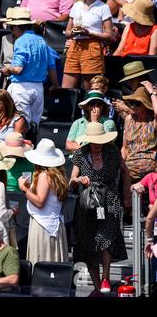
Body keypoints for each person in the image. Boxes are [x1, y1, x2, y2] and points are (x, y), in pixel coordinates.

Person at [69, 122, 127, 294]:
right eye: (93, 141)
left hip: (109, 201)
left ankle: (106, 278)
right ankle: (96, 286)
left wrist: (126, 193)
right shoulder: (80, 153)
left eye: (99, 141)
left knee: (106, 239)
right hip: (88, 204)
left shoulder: (113, 152)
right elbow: (72, 180)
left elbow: (125, 171)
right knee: (88, 244)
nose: (96, 145)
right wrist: (79, 180)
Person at [0, 7, 60, 125]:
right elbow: (51, 65)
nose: (11, 30)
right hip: (38, 89)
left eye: (11, 27)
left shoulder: (20, 41)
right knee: (34, 125)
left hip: (21, 89)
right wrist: (55, 85)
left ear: (16, 27)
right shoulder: (41, 40)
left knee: (20, 125)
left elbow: (18, 69)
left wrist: (7, 69)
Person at [18, 138, 69, 267]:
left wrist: (24, 189)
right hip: (53, 225)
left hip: (42, 226)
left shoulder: (44, 175)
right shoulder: (57, 176)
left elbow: (40, 202)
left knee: (42, 264)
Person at [62, 0, 114, 90]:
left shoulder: (103, 7)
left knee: (90, 89)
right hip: (75, 45)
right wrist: (74, 32)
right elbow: (67, 33)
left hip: (92, 46)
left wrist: (89, 32)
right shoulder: (77, 5)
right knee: (66, 90)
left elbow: (110, 35)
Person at [121, 85, 157, 184]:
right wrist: (120, 162)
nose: (133, 106)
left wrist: (152, 92)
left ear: (145, 104)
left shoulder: (153, 120)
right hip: (129, 162)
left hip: (148, 161)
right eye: (131, 103)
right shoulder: (129, 119)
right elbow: (124, 147)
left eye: (137, 103)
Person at [131, 173, 157, 259]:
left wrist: (149, 240)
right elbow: (133, 186)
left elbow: (149, 218)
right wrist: (135, 188)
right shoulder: (151, 177)